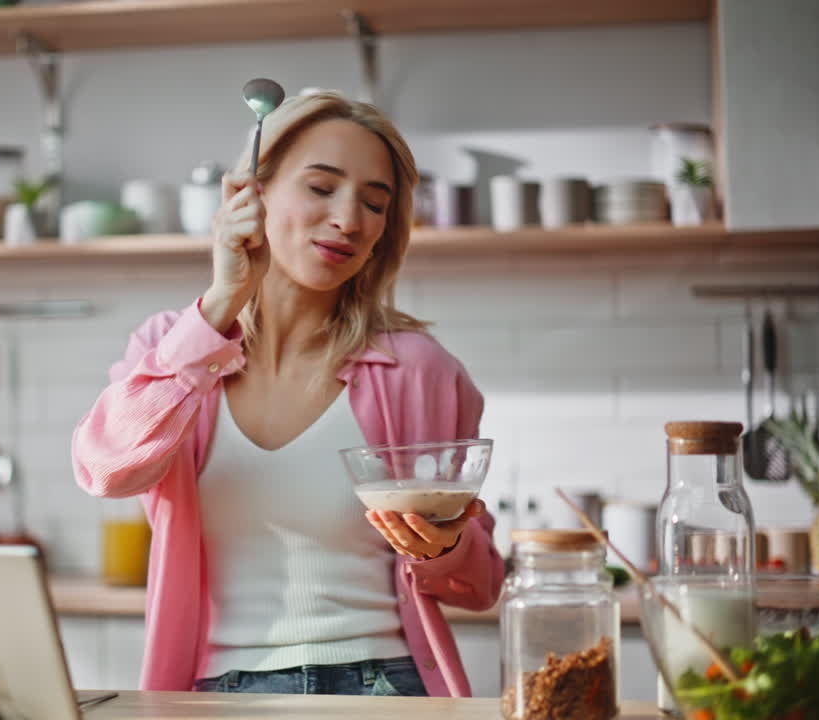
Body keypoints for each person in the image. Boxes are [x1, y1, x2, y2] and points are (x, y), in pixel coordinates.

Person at [72, 91, 503, 697]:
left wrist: (444, 547)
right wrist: (219, 306)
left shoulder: (419, 370)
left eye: (374, 203)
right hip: (215, 695)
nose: (349, 219)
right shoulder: (171, 344)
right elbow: (106, 469)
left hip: (384, 688)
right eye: (322, 188)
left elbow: (481, 583)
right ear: (250, 195)